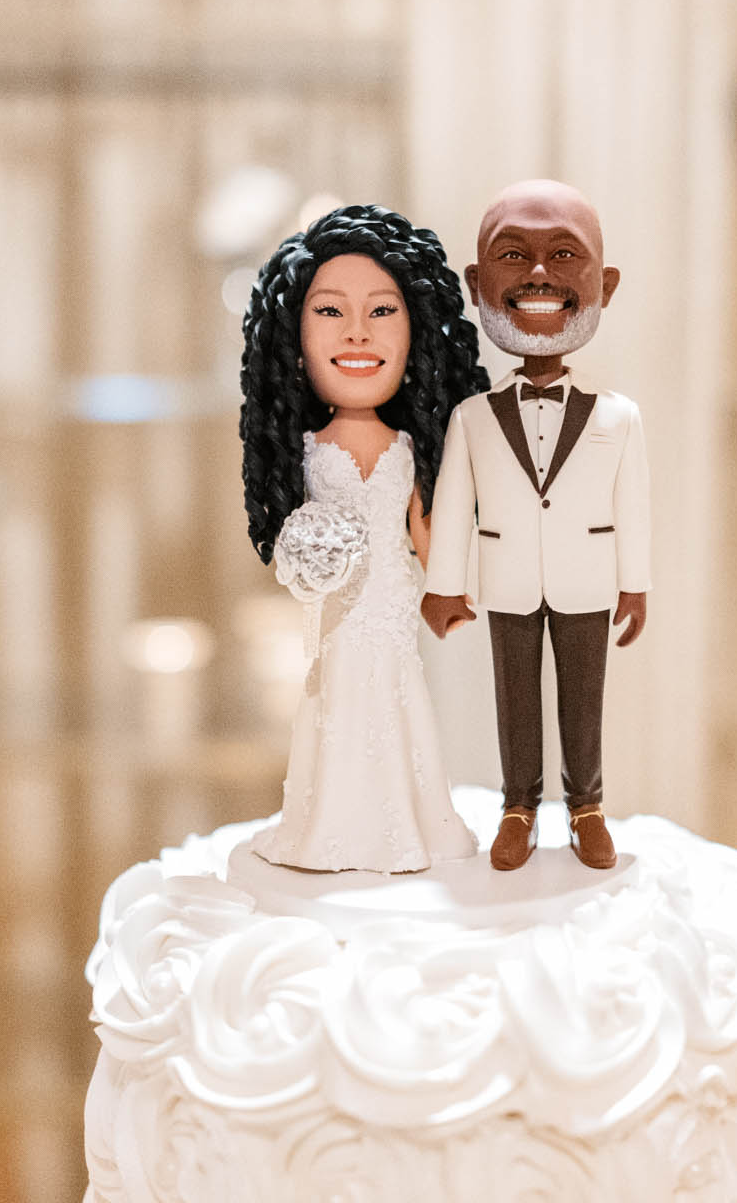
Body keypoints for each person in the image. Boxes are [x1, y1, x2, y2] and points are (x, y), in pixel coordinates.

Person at [239, 204, 491, 872]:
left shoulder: (414, 448)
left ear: (417, 334)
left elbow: (427, 534)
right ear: (291, 336)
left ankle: (408, 826)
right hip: (336, 613)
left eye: (381, 312)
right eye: (329, 312)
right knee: (338, 704)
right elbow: (291, 538)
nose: (357, 333)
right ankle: (328, 828)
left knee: (394, 698)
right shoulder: (301, 450)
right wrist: (304, 559)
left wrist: (455, 583)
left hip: (390, 604)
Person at [421, 180, 650, 871]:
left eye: (563, 255)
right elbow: (455, 505)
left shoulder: (619, 417)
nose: (540, 275)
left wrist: (635, 586)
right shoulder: (473, 417)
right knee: (514, 699)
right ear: (477, 283)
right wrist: (443, 585)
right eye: (514, 256)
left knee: (585, 702)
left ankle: (587, 809)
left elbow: (632, 505)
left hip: (589, 581)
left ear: (604, 285)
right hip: (507, 580)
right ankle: (517, 808)